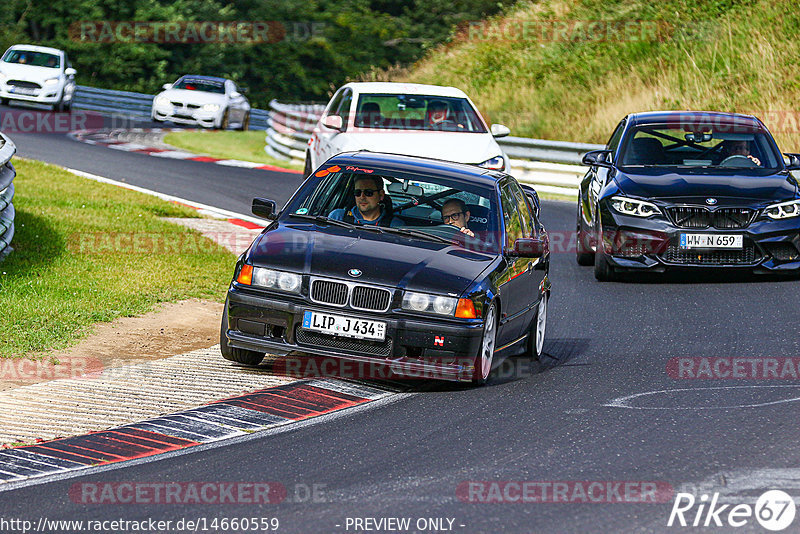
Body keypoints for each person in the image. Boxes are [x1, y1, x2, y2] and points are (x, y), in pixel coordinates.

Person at [329, 176, 398, 226]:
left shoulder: (396, 226)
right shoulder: (337, 218)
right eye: (358, 192)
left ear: (381, 195)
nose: (362, 197)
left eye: (368, 192)